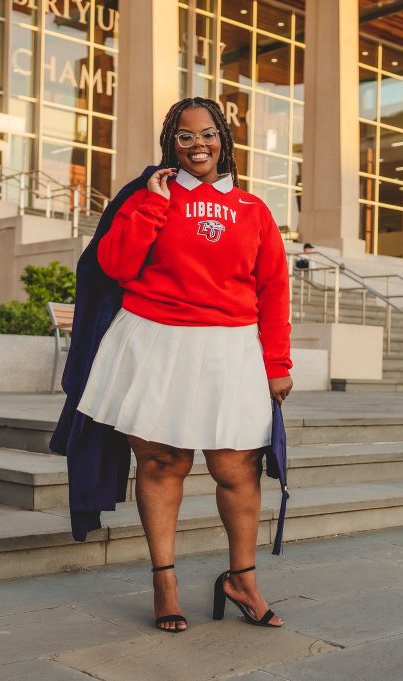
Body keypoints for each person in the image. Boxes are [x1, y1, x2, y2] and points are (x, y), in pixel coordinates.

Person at [72, 97, 291, 632]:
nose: (198, 144)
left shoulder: (252, 209)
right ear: (171, 143)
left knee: (235, 468)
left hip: (231, 347)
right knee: (162, 463)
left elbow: (273, 288)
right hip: (155, 340)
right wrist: (151, 204)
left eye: (208, 133)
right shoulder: (148, 198)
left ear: (225, 140)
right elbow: (115, 265)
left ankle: (242, 578)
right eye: (185, 135)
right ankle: (164, 580)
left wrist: (277, 360)